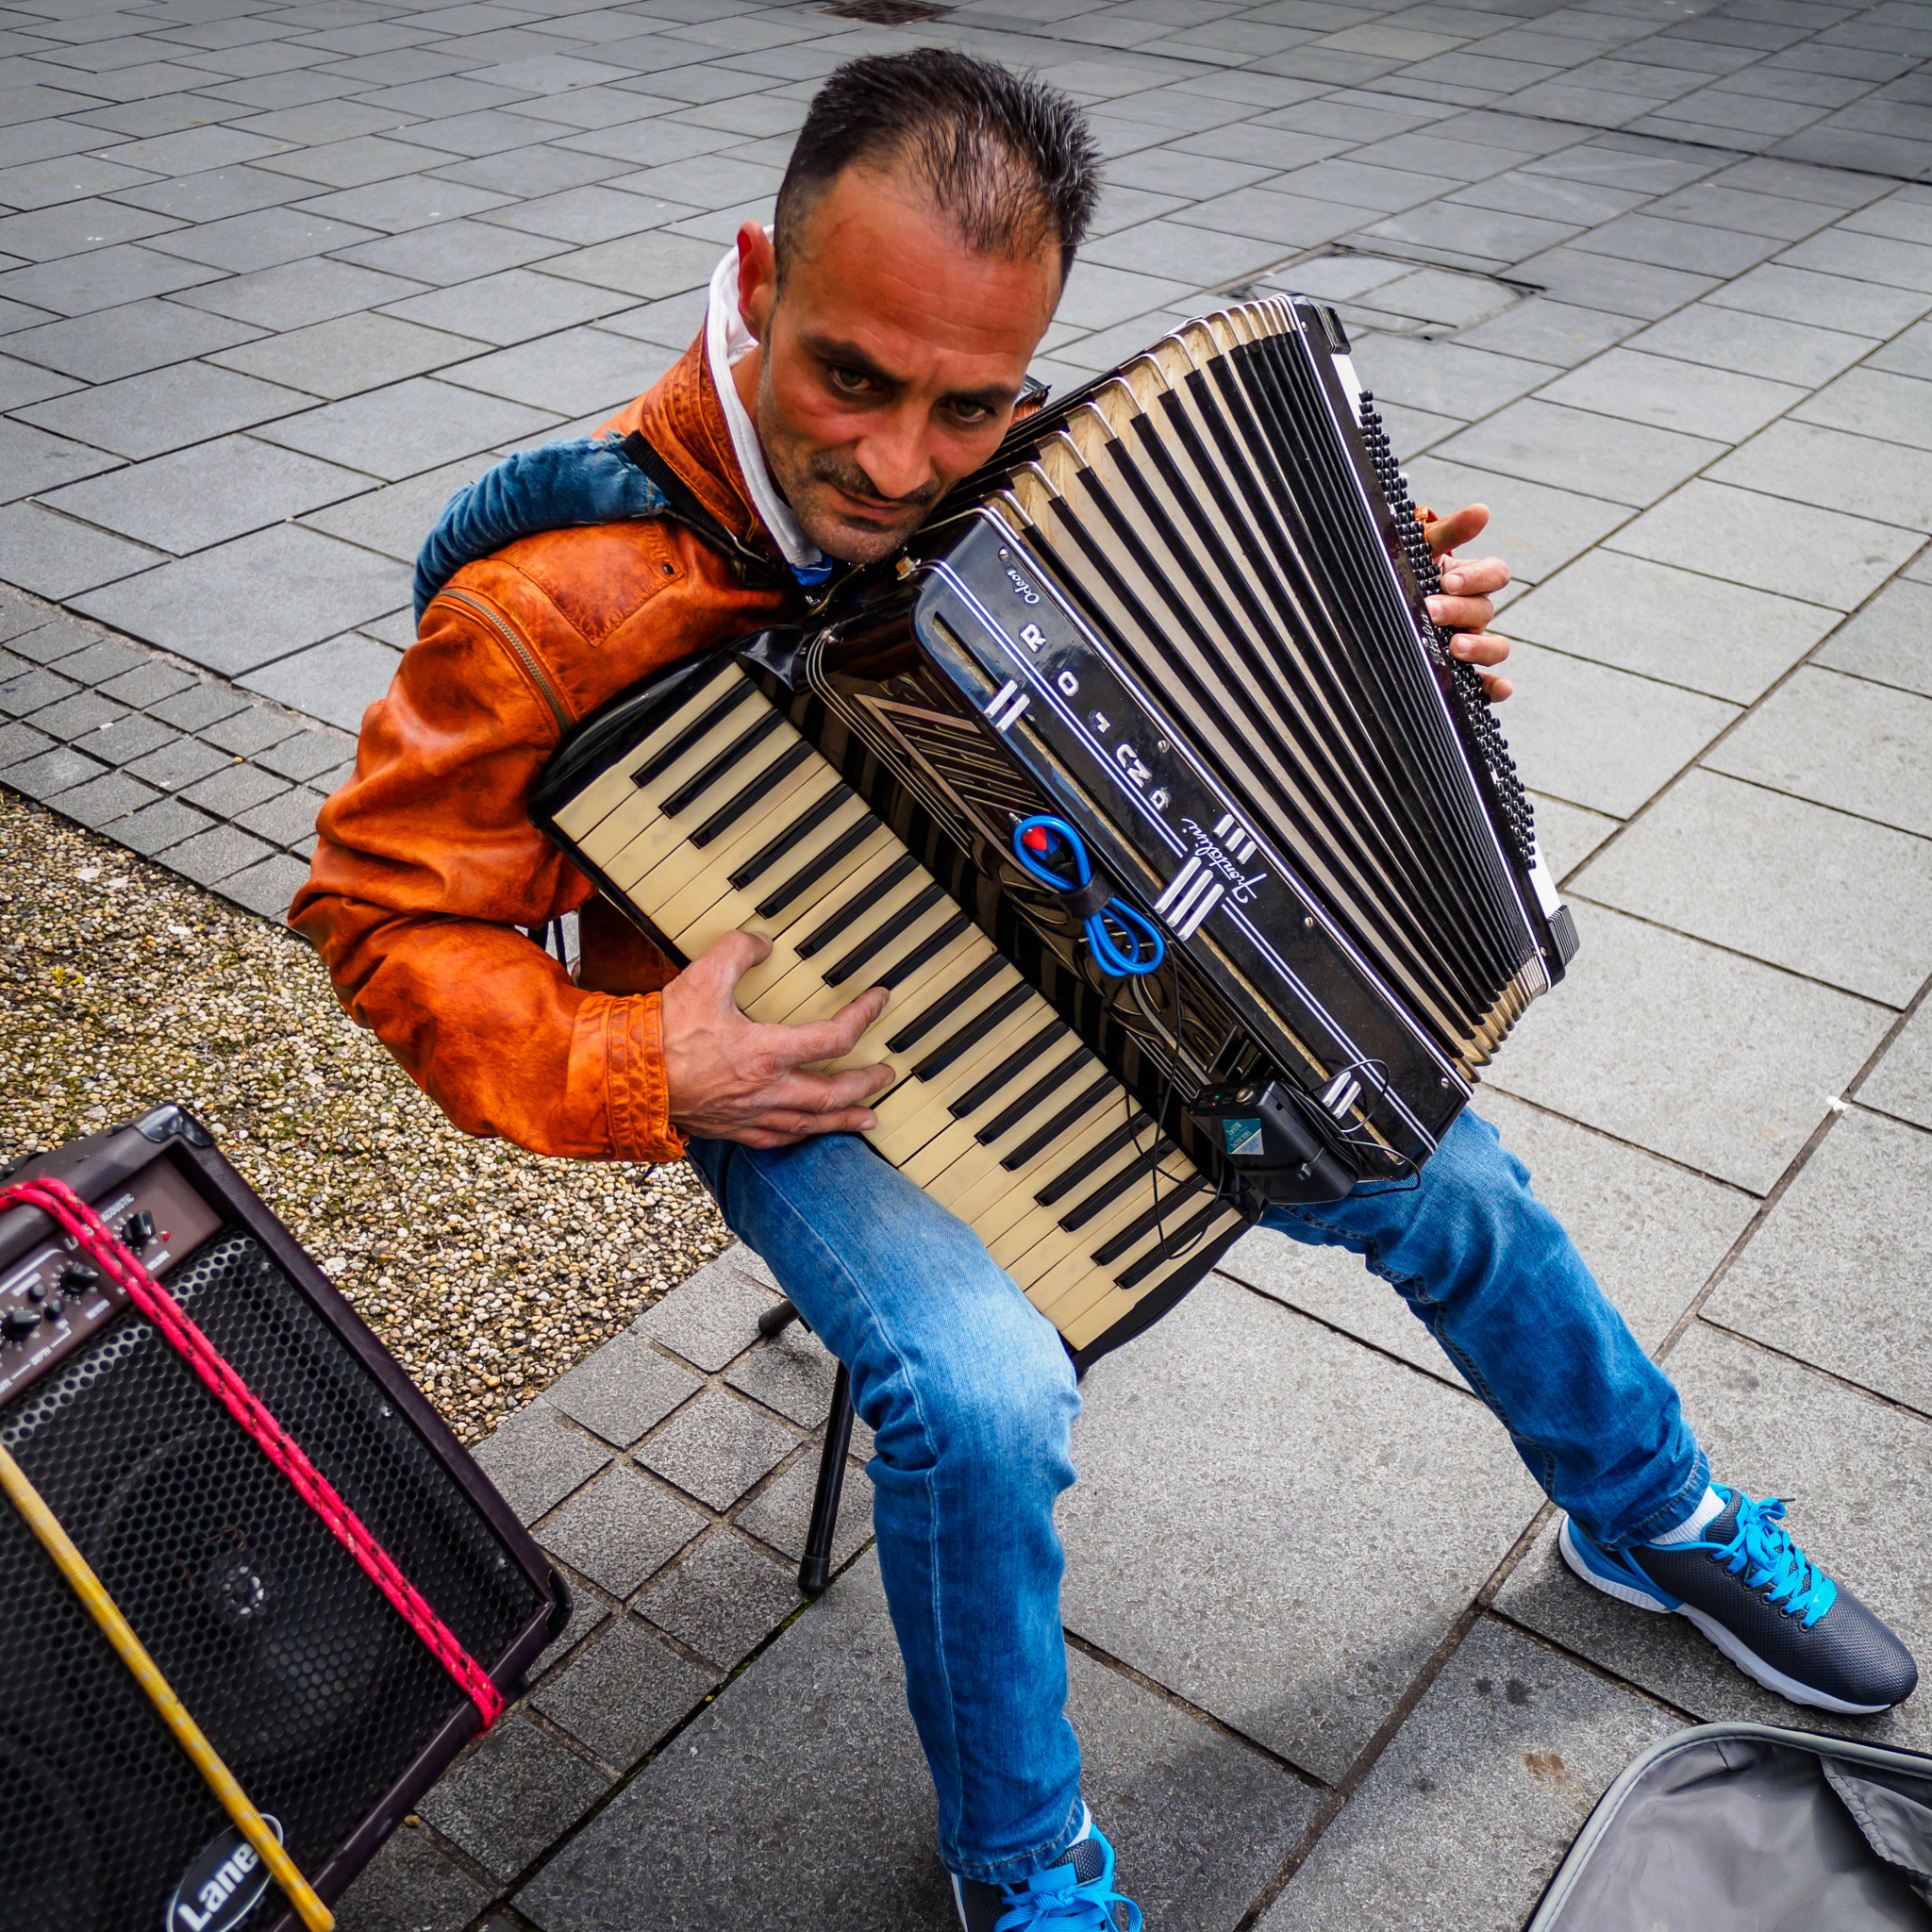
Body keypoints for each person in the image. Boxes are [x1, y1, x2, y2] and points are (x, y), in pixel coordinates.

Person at [292, 49, 1917, 1929]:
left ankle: (1656, 1511)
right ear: (755, 278)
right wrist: (651, 1057)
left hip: (1120, 994)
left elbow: (1224, 718)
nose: (901, 463)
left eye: (967, 402)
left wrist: (1403, 648)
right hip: (809, 1063)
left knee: (1452, 1178)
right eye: (849, 376)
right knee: (981, 1393)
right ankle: (1022, 1866)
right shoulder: (555, 592)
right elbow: (377, 914)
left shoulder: (1039, 476)